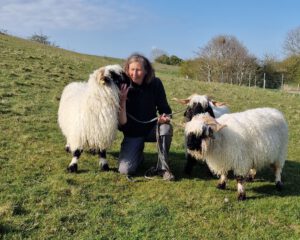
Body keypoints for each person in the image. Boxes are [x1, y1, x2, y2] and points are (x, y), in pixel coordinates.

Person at [118, 53, 174, 181]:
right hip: (132, 134)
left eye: (138, 70)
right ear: (127, 70)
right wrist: (122, 100)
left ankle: (163, 167)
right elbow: (122, 124)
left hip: (151, 130)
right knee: (125, 170)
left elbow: (165, 110)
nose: (134, 74)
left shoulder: (156, 83)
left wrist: (164, 118)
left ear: (146, 71)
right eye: (132, 70)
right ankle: (138, 155)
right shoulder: (122, 86)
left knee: (165, 128)